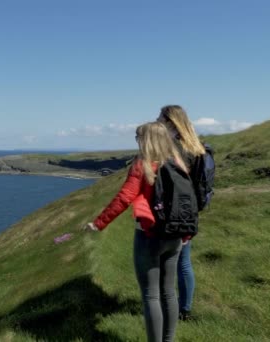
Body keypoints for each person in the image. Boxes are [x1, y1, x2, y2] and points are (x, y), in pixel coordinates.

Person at [84, 122, 188, 342]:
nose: (137, 141)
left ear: (146, 139)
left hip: (149, 235)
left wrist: (98, 223)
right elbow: (188, 200)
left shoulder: (143, 165)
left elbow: (124, 198)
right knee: (168, 292)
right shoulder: (178, 162)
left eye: (138, 137)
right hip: (175, 236)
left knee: (151, 295)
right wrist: (186, 234)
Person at [157, 105, 206, 321]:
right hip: (190, 212)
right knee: (183, 262)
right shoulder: (195, 147)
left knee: (168, 262)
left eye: (160, 118)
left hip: (174, 213)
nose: (157, 121)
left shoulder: (172, 148)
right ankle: (184, 308)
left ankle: (170, 309)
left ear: (170, 122)